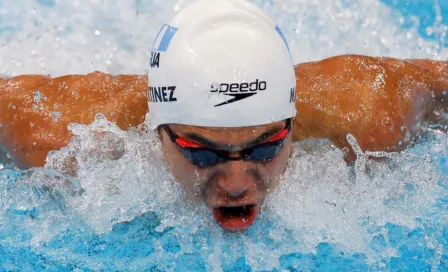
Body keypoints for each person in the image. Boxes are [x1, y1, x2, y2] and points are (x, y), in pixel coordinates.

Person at [0, 0, 447, 230]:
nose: (236, 183)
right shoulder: (52, 136)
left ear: (290, 127)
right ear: (158, 132)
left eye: (267, 146)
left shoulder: (369, 116)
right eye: (201, 153)